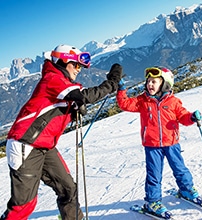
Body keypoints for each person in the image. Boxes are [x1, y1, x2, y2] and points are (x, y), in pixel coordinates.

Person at [0, 44, 122, 220]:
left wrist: (73, 109)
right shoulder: (52, 78)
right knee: (23, 204)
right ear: (63, 62)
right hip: (25, 145)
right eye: (76, 65)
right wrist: (111, 83)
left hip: (45, 146)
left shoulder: (61, 84)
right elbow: (84, 95)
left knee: (68, 189)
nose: (79, 69)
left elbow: (52, 114)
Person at [116, 66, 202, 218]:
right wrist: (121, 89)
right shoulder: (143, 101)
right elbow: (125, 104)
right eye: (148, 81)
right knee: (154, 175)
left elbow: (183, 116)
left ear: (165, 84)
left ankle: (186, 190)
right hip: (152, 145)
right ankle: (153, 201)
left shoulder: (173, 102)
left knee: (180, 169)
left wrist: (192, 118)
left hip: (172, 143)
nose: (150, 84)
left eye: (154, 82)